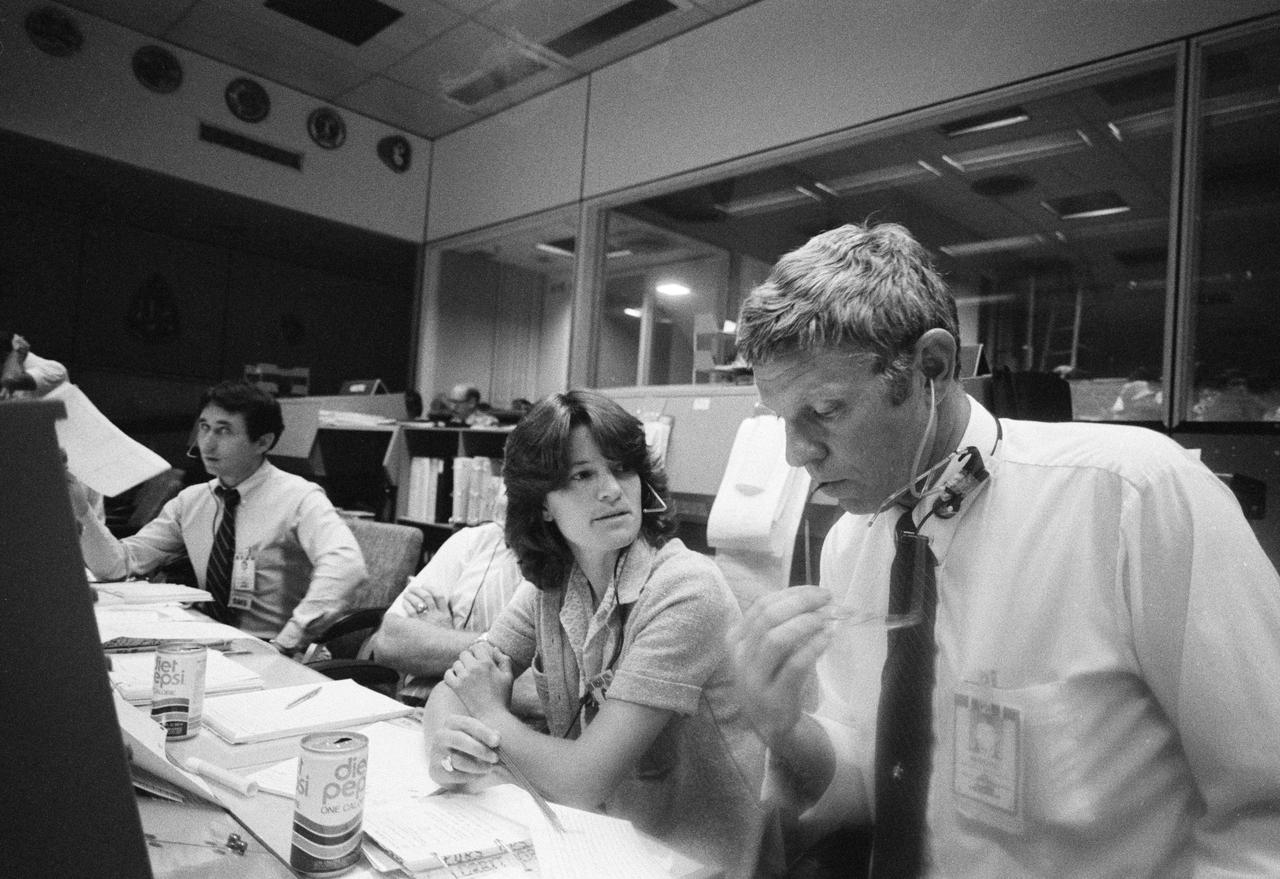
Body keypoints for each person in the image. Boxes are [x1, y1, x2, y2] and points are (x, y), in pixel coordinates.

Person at [728, 222, 1280, 876]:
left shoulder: (1132, 497)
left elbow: (1264, 810)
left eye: (823, 410)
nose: (796, 452)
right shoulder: (852, 542)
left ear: (932, 367)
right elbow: (876, 784)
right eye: (781, 420)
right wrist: (786, 726)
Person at [421, 390, 770, 875]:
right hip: (600, 841)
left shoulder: (686, 588)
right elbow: (452, 689)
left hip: (695, 861)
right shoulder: (555, 582)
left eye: (622, 468)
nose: (611, 489)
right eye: (582, 475)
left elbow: (585, 779)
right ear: (542, 503)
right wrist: (444, 746)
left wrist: (487, 712)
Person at [68, 380, 368, 655]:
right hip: (210, 641)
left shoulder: (299, 498)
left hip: (274, 647)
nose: (207, 444)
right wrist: (81, 510)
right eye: (204, 427)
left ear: (263, 442)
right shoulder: (193, 500)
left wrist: (287, 641)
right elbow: (120, 564)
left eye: (224, 431)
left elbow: (347, 567)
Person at [368, 490, 542, 721]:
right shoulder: (474, 540)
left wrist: (441, 638)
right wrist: (499, 669)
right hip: (416, 715)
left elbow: (540, 697)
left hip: (505, 735)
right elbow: (389, 642)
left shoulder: (573, 571)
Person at [1, 331, 68, 399]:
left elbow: (10, 379)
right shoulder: (6, 387)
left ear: (6, 355)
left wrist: (19, 350)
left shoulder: (53, 369)